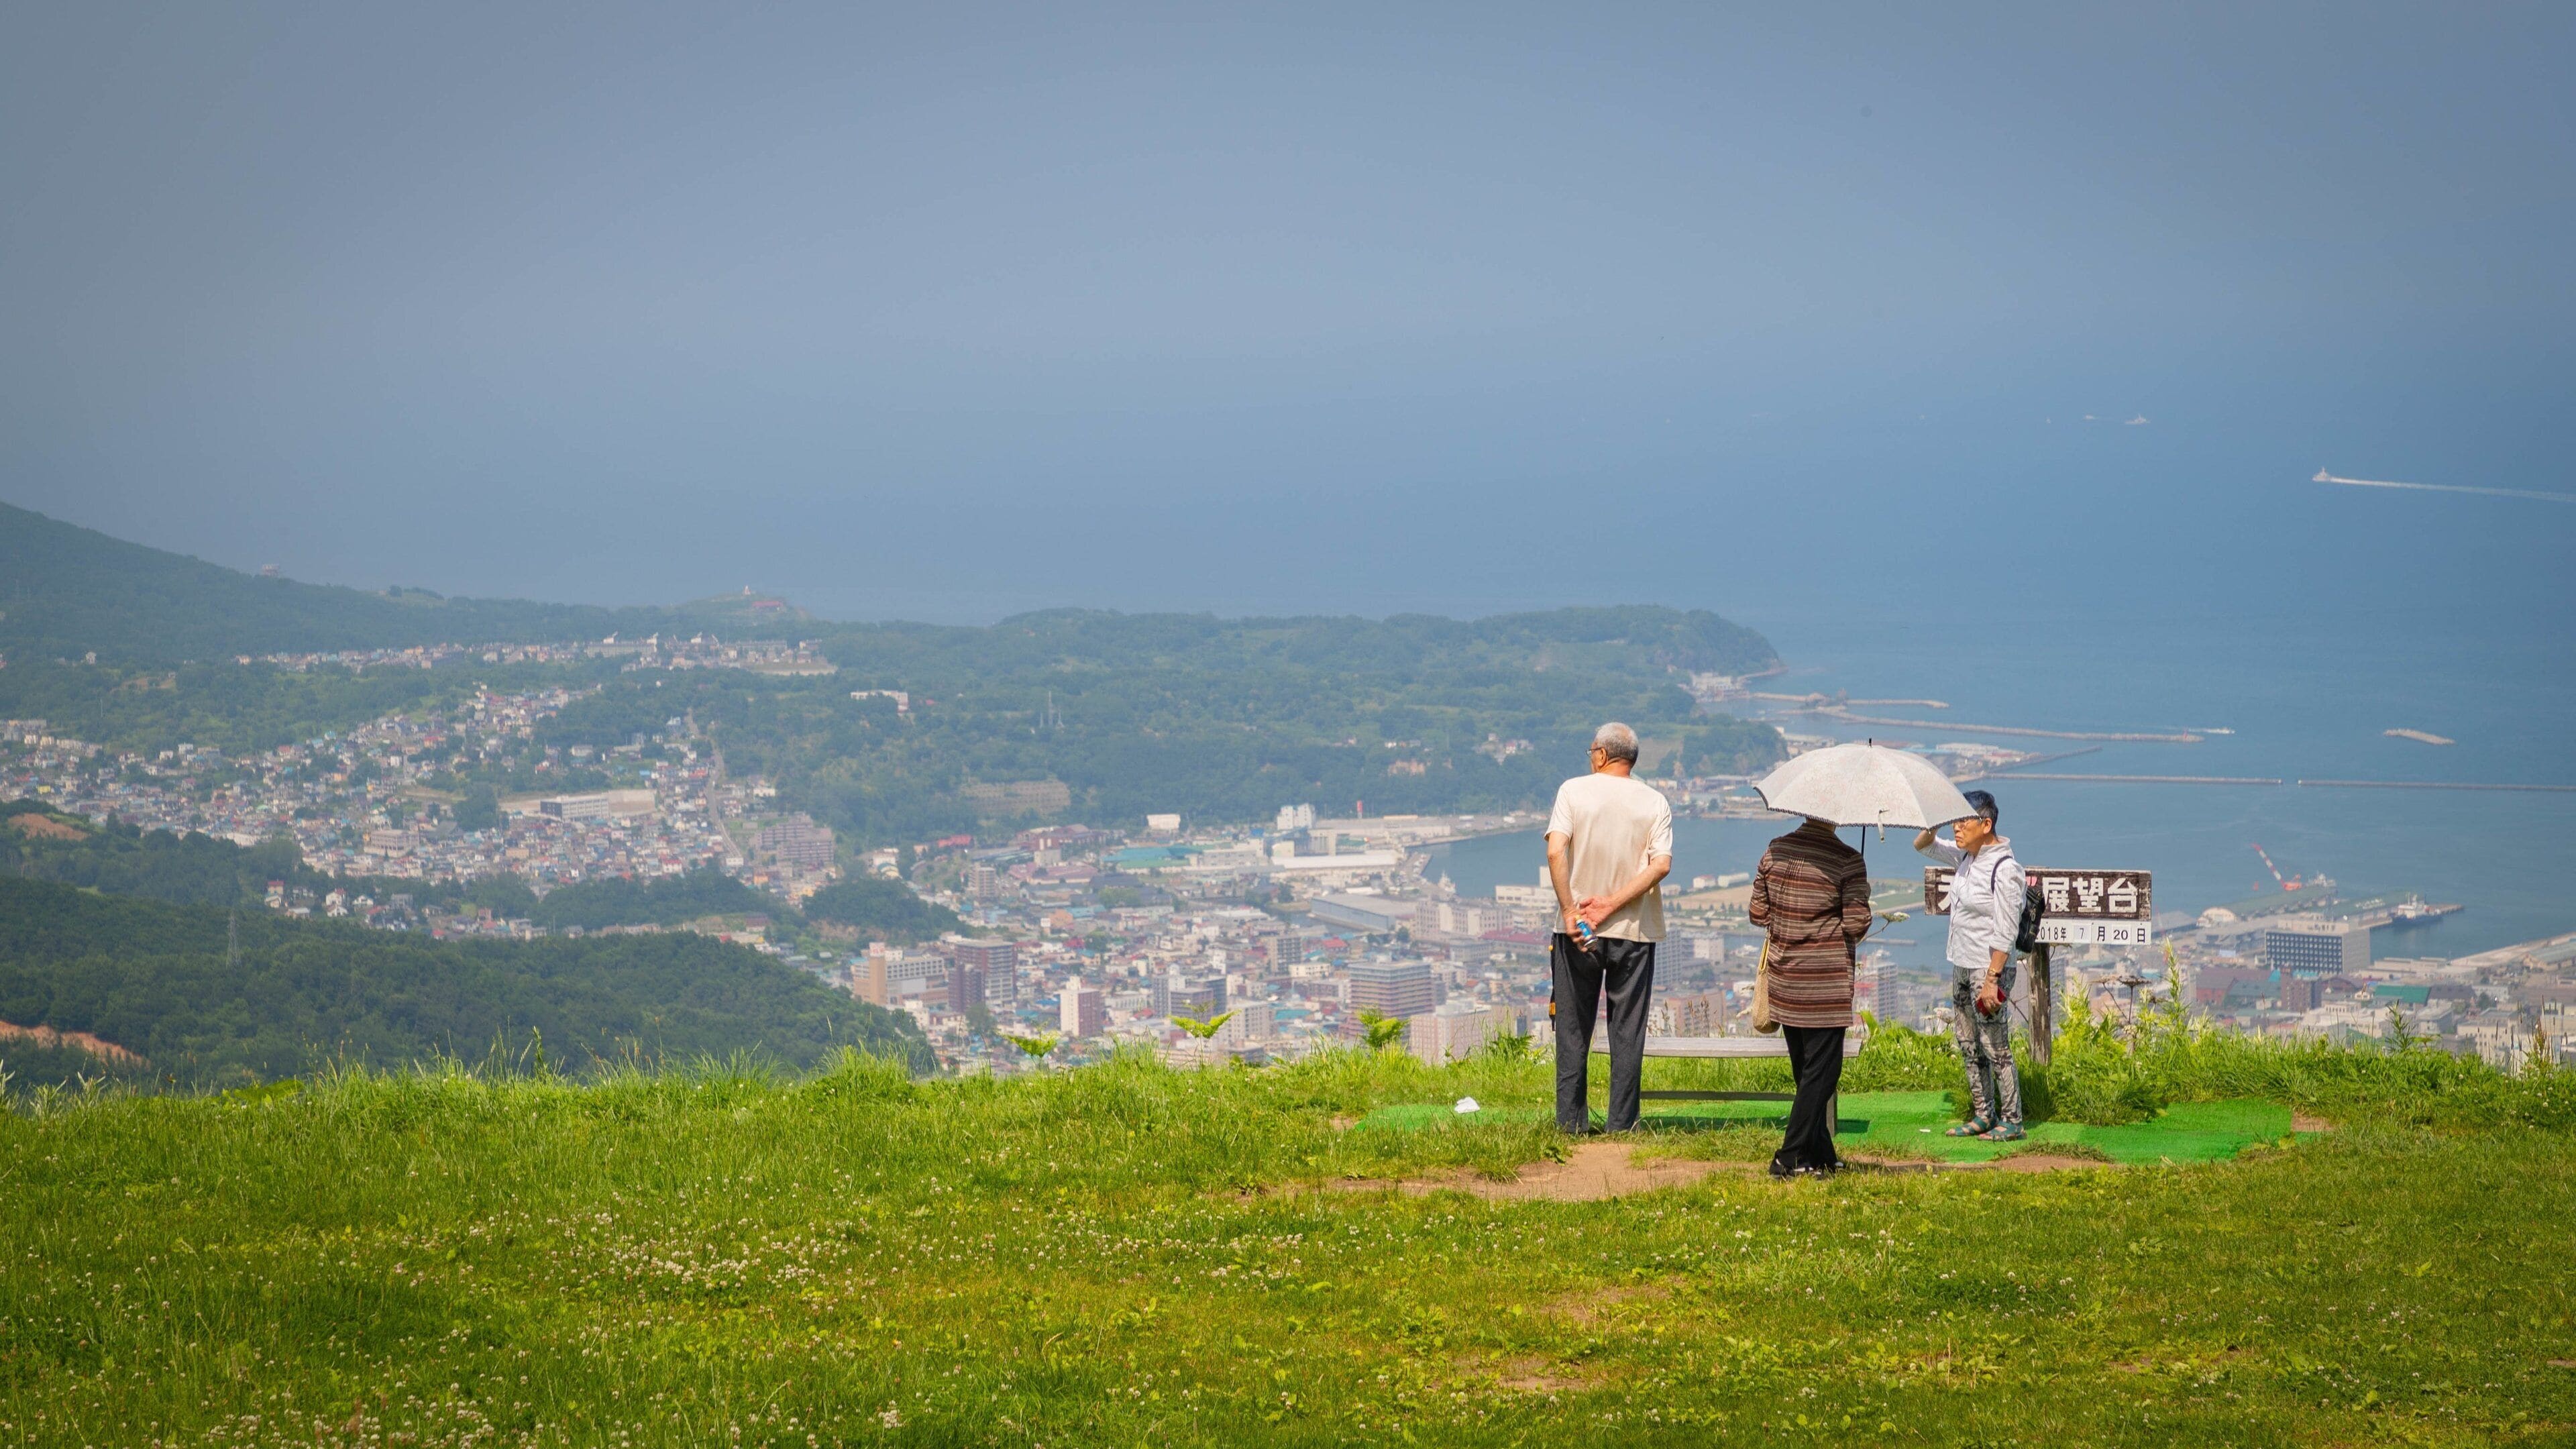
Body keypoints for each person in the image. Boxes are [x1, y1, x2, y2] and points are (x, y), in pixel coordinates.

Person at [1544, 722, 1674, 1135]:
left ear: (1600, 754)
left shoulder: (1573, 791)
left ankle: (1570, 1125)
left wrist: (1571, 910)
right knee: (1627, 1031)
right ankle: (1622, 1124)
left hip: (1576, 929)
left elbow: (1554, 850)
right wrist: (1614, 905)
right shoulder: (1655, 802)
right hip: (1634, 930)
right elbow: (1661, 864)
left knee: (1572, 1028)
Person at [1746, 815, 1870, 1177]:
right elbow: (1855, 924)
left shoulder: (1774, 850)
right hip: (1825, 985)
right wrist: (1860, 896)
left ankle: (1821, 1154)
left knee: (1808, 1072)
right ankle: (1788, 1157)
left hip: (1786, 981)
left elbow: (1757, 913)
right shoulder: (1848, 860)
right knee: (1824, 1073)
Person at [1914, 788, 2027, 1141]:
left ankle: (2012, 1119)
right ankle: (1983, 1114)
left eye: (1963, 820)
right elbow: (1924, 845)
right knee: (1968, 1043)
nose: (1957, 827)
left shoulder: (2006, 869)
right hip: (1962, 964)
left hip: (1987, 969)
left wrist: (1993, 979)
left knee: (1995, 1046)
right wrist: (1937, 816)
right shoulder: (1966, 857)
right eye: (1955, 819)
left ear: (1986, 823)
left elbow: (2007, 930)